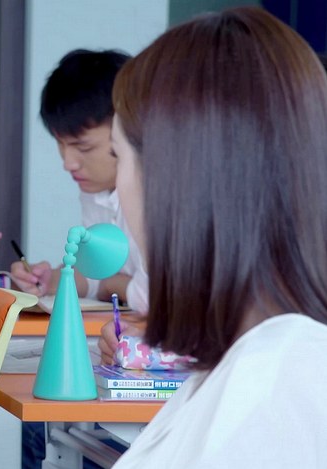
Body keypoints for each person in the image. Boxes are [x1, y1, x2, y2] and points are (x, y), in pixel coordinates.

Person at [107, 7, 327, 467]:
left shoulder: (273, 393)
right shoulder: (257, 363)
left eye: (117, 157)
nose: (116, 190)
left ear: (174, 180)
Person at [10, 49, 149, 314]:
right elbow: (97, 274)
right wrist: (52, 280)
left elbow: (162, 298)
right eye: (60, 144)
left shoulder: (162, 196)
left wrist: (113, 285)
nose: (68, 163)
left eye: (83, 147)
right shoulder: (95, 190)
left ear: (131, 131)